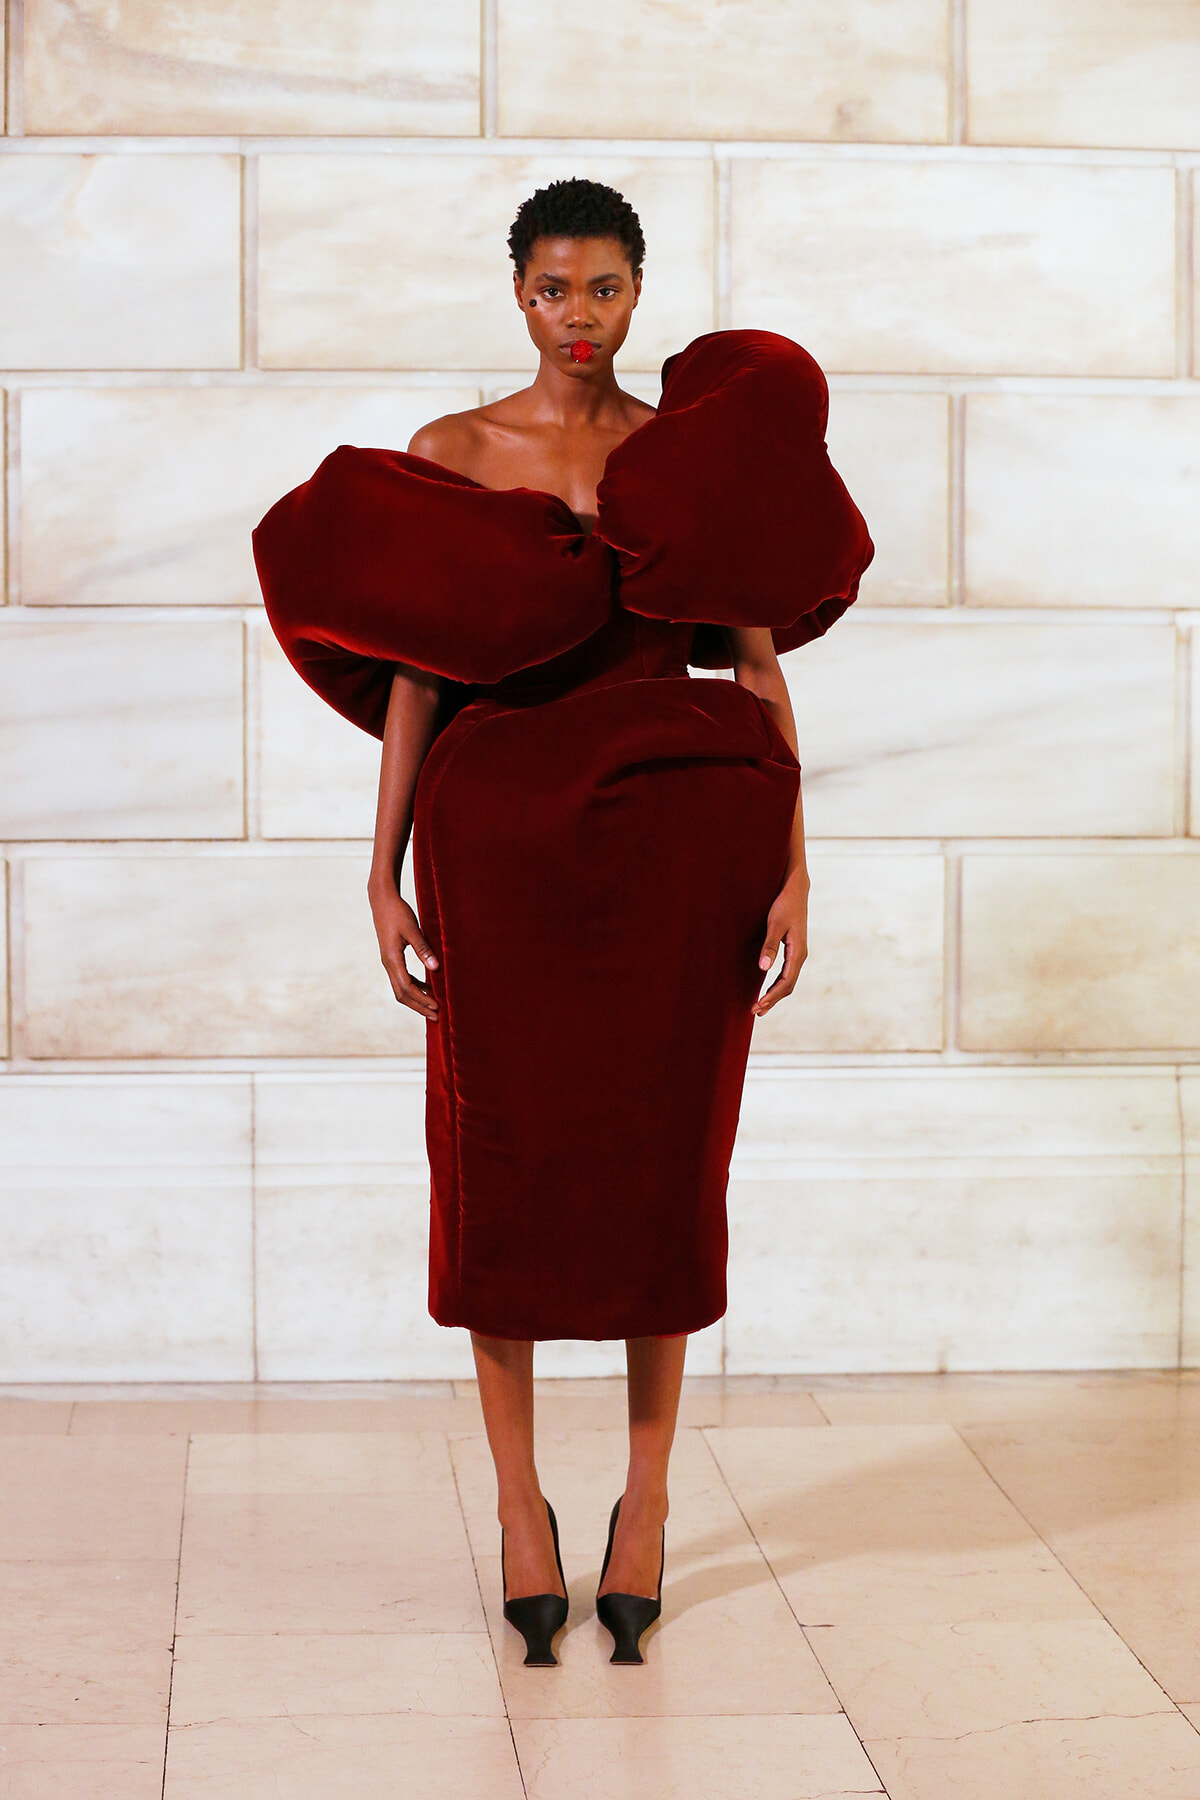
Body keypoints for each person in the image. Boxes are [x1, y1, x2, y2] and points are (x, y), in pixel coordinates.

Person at [252, 178, 873, 1668]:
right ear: (515, 295)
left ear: (639, 295)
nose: (577, 317)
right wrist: (383, 870)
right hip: (498, 856)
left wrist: (796, 867)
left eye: (602, 289)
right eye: (551, 289)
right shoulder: (453, 456)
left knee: (665, 1172)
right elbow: (416, 676)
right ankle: (522, 1506)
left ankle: (646, 1501)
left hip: (675, 854)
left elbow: (759, 673)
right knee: (503, 1169)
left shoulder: (692, 455)